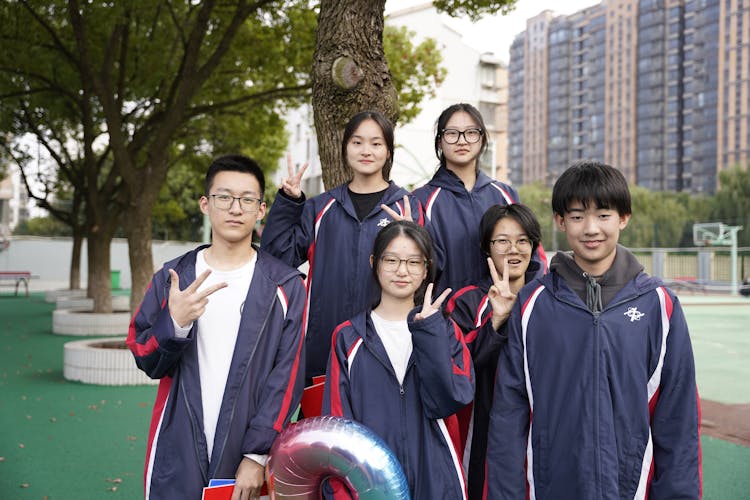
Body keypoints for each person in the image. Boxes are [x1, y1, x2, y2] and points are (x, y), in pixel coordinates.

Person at [486, 160, 701, 499]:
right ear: (560, 221)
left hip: (628, 489)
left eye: (603, 215)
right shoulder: (533, 304)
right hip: (551, 486)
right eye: (576, 216)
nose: (590, 228)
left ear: (624, 218)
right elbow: (509, 414)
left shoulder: (659, 304)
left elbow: (678, 418)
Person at [127, 155, 307, 500]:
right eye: (224, 197)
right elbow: (143, 354)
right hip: (177, 439)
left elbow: (287, 378)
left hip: (245, 449)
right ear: (205, 204)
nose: (235, 208)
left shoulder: (284, 286)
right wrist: (175, 324)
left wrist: (257, 454)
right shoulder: (173, 277)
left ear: (261, 210)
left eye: (247, 199)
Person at [261, 110, 422, 382]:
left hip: (388, 345)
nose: (366, 151)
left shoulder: (407, 207)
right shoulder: (320, 207)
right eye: (357, 142)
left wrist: (412, 234)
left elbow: (428, 274)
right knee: (322, 423)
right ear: (345, 148)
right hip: (321, 348)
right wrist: (288, 203)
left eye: (376, 143)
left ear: (388, 151)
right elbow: (277, 257)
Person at [322, 220, 474, 499]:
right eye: (391, 259)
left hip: (437, 482)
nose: (402, 270)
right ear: (374, 262)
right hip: (371, 485)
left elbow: (452, 397)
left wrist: (429, 333)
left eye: (414, 262)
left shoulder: (445, 331)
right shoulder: (347, 337)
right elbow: (337, 427)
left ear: (426, 269)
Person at [445, 203, 542, 499]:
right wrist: (495, 323)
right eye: (502, 241)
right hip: (482, 429)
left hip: (540, 425)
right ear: (487, 248)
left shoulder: (548, 298)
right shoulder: (466, 302)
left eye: (522, 240)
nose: (514, 249)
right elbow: (456, 371)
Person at [412, 103, 546, 293]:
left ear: (482, 139)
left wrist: (524, 305)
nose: (462, 141)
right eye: (452, 133)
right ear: (440, 141)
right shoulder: (421, 201)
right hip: (448, 316)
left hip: (503, 313)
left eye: (471, 132)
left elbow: (534, 257)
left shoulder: (505, 195)